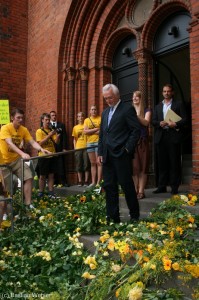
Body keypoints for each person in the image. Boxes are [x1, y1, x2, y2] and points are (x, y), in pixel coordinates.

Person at [97, 84, 141, 223]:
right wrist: (100, 152)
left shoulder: (127, 109)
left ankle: (134, 215)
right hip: (107, 156)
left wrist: (127, 149)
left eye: (110, 98)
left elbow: (136, 131)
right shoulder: (104, 113)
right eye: (105, 98)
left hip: (122, 155)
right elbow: (102, 135)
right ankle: (113, 216)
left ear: (117, 95)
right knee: (109, 186)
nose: (108, 101)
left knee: (127, 186)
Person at [0, 108, 50, 209]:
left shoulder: (24, 129)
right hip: (4, 162)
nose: (20, 120)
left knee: (29, 176)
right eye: (18, 117)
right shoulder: (5, 128)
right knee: (7, 187)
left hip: (16, 160)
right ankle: (5, 211)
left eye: (22, 118)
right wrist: (22, 153)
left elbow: (32, 142)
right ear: (12, 118)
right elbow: (9, 143)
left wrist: (41, 149)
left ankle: (27, 204)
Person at [152, 83, 187, 194]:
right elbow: (153, 121)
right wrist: (159, 123)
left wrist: (175, 124)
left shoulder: (179, 104)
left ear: (172, 92)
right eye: (164, 91)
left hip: (173, 136)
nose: (166, 93)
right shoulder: (157, 106)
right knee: (162, 163)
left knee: (174, 162)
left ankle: (174, 187)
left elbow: (185, 119)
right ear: (162, 93)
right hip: (161, 137)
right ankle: (161, 186)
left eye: (168, 91)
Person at [132, 91, 152, 199]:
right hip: (132, 142)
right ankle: (135, 189)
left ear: (141, 99)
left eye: (137, 97)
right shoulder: (129, 110)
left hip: (142, 141)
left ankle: (141, 191)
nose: (134, 98)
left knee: (143, 167)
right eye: (133, 97)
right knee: (134, 168)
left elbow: (146, 123)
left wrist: (135, 116)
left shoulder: (146, 110)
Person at [36, 113, 60, 198]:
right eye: (46, 120)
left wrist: (57, 136)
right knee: (42, 176)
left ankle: (51, 192)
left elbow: (55, 143)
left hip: (52, 155)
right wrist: (50, 135)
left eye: (48, 120)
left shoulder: (51, 130)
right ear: (42, 120)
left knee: (51, 175)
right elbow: (39, 143)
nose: (47, 121)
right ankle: (41, 192)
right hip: (43, 156)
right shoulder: (39, 131)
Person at [84, 105, 102, 187]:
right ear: (90, 111)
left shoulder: (100, 118)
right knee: (92, 163)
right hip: (90, 143)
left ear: (96, 111)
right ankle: (93, 182)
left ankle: (98, 182)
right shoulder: (87, 120)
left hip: (98, 142)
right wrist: (96, 129)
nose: (94, 111)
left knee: (99, 162)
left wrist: (90, 131)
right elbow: (85, 132)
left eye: (95, 109)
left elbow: (102, 131)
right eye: (92, 109)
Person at [49, 110, 68, 186]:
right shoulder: (48, 125)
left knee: (61, 164)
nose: (54, 116)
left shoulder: (61, 125)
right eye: (52, 115)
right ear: (50, 117)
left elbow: (64, 137)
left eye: (55, 115)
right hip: (51, 148)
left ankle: (64, 182)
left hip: (60, 148)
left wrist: (64, 147)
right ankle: (55, 182)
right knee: (52, 165)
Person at [72, 112, 90, 186]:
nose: (80, 118)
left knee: (86, 164)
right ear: (77, 118)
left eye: (82, 116)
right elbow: (74, 138)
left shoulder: (87, 125)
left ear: (84, 117)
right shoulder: (75, 127)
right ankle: (80, 180)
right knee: (79, 164)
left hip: (86, 146)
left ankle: (86, 181)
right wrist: (75, 147)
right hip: (78, 147)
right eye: (79, 116)